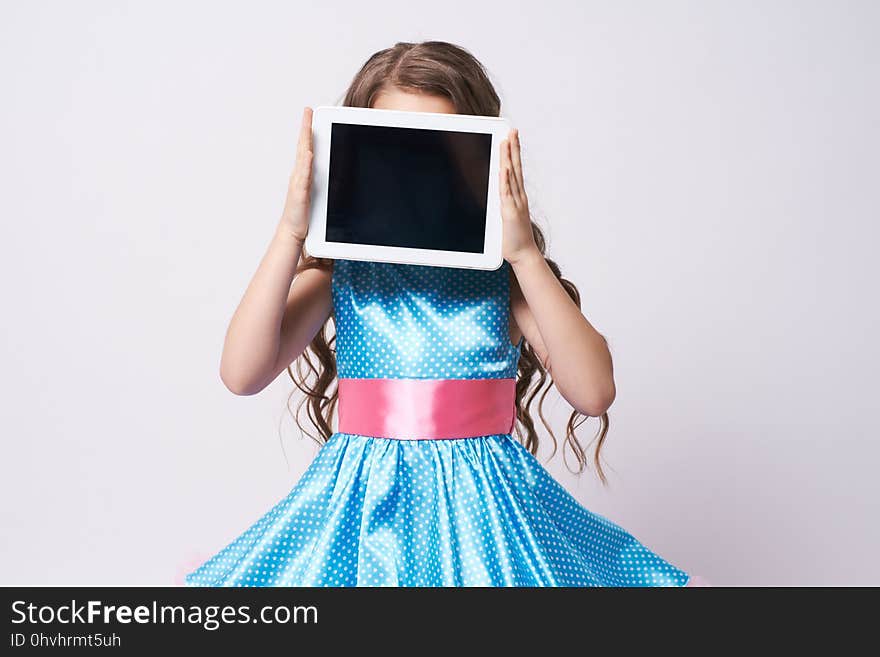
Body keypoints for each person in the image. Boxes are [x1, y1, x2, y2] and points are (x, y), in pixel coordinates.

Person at [183, 40, 706, 587]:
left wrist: (524, 254)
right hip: (359, 515)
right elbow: (241, 374)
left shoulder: (507, 283)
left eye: (438, 152)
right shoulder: (345, 276)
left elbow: (594, 391)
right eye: (393, 152)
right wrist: (292, 231)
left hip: (491, 527)